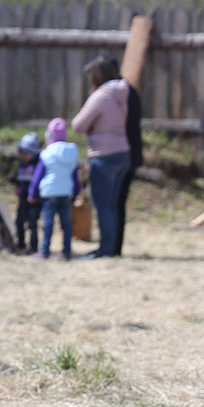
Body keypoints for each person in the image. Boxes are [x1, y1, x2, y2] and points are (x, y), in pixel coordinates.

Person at [72, 56, 132, 259]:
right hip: (122, 153)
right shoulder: (121, 95)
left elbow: (79, 124)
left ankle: (105, 249)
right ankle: (112, 247)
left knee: (103, 205)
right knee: (113, 205)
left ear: (96, 77)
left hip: (103, 156)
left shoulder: (100, 96)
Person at [27, 118, 81, 261]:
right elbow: (75, 177)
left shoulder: (47, 153)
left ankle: (44, 252)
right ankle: (66, 252)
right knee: (66, 225)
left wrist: (32, 193)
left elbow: (38, 176)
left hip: (49, 195)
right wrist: (75, 195)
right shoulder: (72, 152)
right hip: (65, 194)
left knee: (48, 224)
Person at [112, 60, 143, 256]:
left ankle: (113, 247)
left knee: (114, 203)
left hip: (121, 155)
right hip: (131, 155)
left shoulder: (115, 94)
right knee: (118, 204)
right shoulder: (129, 91)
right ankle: (115, 247)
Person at [8, 132, 42, 255]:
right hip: (22, 199)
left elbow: (35, 183)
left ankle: (33, 248)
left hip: (34, 200)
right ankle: (21, 244)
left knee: (32, 224)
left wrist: (29, 192)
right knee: (19, 222)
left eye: (25, 154)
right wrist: (13, 179)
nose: (23, 156)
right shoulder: (22, 165)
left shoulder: (38, 165)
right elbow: (19, 179)